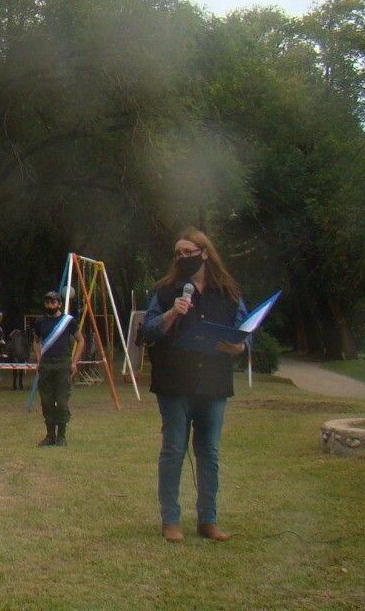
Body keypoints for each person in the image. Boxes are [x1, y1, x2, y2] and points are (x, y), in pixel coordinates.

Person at [141, 229, 247, 543]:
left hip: (213, 382)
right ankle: (170, 520)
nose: (182, 258)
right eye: (177, 254)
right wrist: (172, 313)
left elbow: (244, 328)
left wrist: (241, 347)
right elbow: (147, 330)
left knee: (209, 452)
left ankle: (208, 520)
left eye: (188, 252)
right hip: (174, 382)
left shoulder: (227, 290)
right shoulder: (164, 291)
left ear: (204, 253)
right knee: (173, 449)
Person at [32, 290, 84, 447]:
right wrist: (39, 358)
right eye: (47, 303)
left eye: (53, 302)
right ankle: (50, 436)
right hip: (46, 364)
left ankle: (61, 436)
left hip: (63, 364)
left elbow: (80, 341)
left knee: (61, 401)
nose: (50, 305)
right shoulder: (40, 321)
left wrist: (74, 362)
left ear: (59, 304)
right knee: (46, 401)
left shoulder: (68, 321)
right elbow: (35, 341)